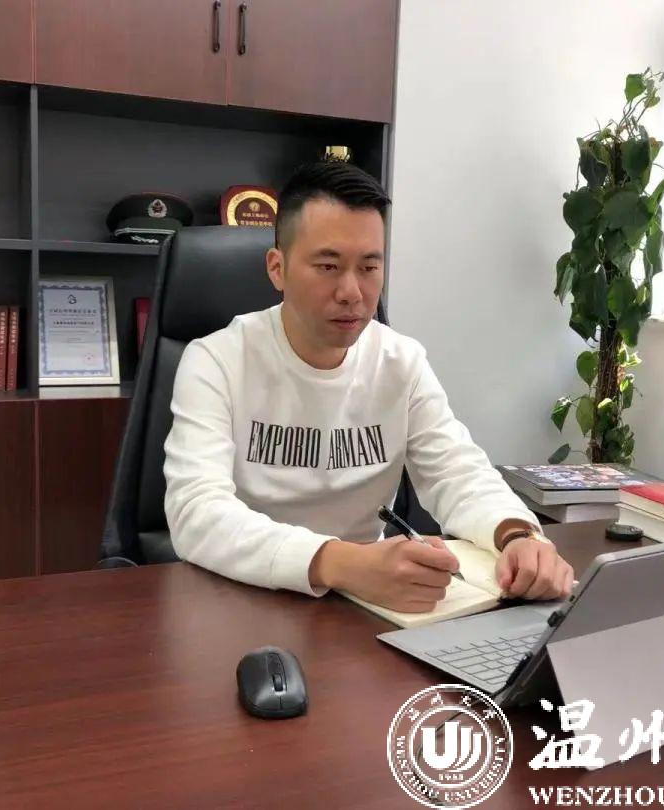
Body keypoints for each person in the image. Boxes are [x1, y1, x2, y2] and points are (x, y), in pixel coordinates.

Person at [163, 162, 574, 612]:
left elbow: (457, 473)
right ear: (277, 268)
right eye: (328, 266)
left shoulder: (401, 361)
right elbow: (196, 513)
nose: (352, 292)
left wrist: (517, 535)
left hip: (365, 602)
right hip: (243, 597)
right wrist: (339, 562)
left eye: (369, 267)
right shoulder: (217, 360)